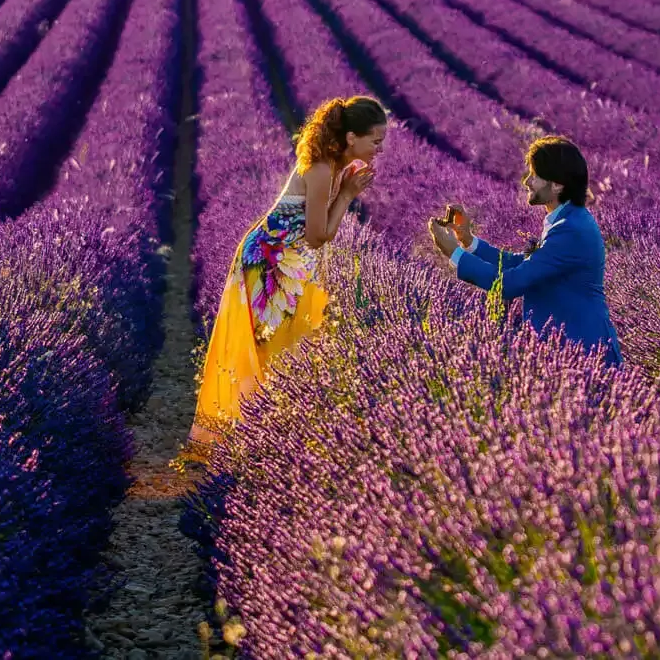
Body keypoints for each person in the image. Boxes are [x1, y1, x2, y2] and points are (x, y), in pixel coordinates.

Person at [185, 96, 389, 457]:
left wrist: (344, 191)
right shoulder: (325, 169)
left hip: (286, 260)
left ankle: (263, 437)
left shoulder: (335, 164)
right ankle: (246, 441)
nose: (379, 149)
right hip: (270, 260)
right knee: (274, 347)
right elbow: (317, 235)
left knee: (291, 343)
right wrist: (346, 196)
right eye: (375, 141)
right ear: (352, 138)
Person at [428, 135, 622, 365]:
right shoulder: (566, 220)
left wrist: (453, 253)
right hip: (573, 352)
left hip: (587, 355)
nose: (527, 181)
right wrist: (467, 240)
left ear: (557, 184)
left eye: (534, 175)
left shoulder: (571, 229)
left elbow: (509, 284)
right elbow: (520, 264)